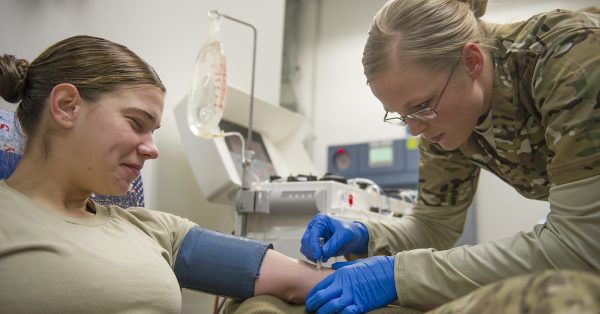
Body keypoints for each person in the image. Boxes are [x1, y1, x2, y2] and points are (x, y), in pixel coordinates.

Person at [296, 0, 600, 313]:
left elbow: (580, 248)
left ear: (471, 61)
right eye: (400, 114)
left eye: (422, 105)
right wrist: (364, 235)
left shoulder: (570, 58)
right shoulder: (445, 122)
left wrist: (400, 276)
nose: (414, 130)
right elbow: (434, 226)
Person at [0, 35, 332, 313]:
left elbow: (307, 282)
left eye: (154, 131)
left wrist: (381, 274)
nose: (152, 149)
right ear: (66, 106)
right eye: (136, 123)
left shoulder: (155, 230)